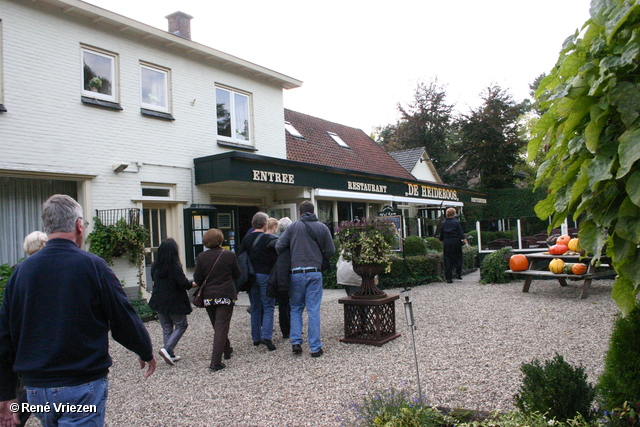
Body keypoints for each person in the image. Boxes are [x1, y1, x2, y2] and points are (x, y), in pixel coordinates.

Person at [0, 194, 155, 427]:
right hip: (81, 385)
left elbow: (5, 335)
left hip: (37, 390)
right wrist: (144, 350)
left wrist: (6, 392)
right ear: (79, 225)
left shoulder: (21, 273)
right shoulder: (93, 266)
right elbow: (122, 317)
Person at [276, 201, 335, 357]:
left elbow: (278, 246)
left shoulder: (292, 227)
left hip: (295, 272)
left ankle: (296, 342)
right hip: (314, 272)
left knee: (295, 308)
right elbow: (331, 250)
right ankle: (315, 348)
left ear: (300, 213)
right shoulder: (322, 228)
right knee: (313, 309)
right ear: (313, 211)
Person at [193, 228, 241, 372]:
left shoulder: (201, 257)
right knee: (221, 326)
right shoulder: (229, 255)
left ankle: (227, 349)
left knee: (217, 325)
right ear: (221, 240)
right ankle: (215, 362)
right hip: (226, 294)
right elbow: (237, 274)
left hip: (208, 296)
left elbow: (198, 279)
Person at [149, 238, 196, 366]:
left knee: (167, 327)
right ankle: (167, 349)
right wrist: (194, 284)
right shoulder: (174, 266)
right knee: (181, 324)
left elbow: (154, 279)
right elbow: (182, 283)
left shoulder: (155, 266)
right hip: (174, 301)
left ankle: (169, 353)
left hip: (159, 300)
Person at [238, 212, 278, 350]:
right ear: (265, 224)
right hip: (265, 275)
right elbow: (275, 258)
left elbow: (241, 257)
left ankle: (255, 337)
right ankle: (266, 336)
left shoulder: (246, 239)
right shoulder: (269, 239)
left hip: (250, 276)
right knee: (268, 306)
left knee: (255, 307)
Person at [266, 217, 292, 339]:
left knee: (283, 305)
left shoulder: (273, 242)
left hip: (276, 276)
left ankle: (285, 330)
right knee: (292, 304)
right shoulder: (288, 242)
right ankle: (292, 328)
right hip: (287, 274)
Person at [439, 207, 469, 283]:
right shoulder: (456, 223)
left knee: (447, 259)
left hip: (447, 242)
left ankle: (449, 278)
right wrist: (466, 243)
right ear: (454, 214)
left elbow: (441, 235)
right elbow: (461, 234)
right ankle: (458, 273)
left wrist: (443, 241)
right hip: (456, 242)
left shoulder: (443, 223)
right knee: (458, 257)